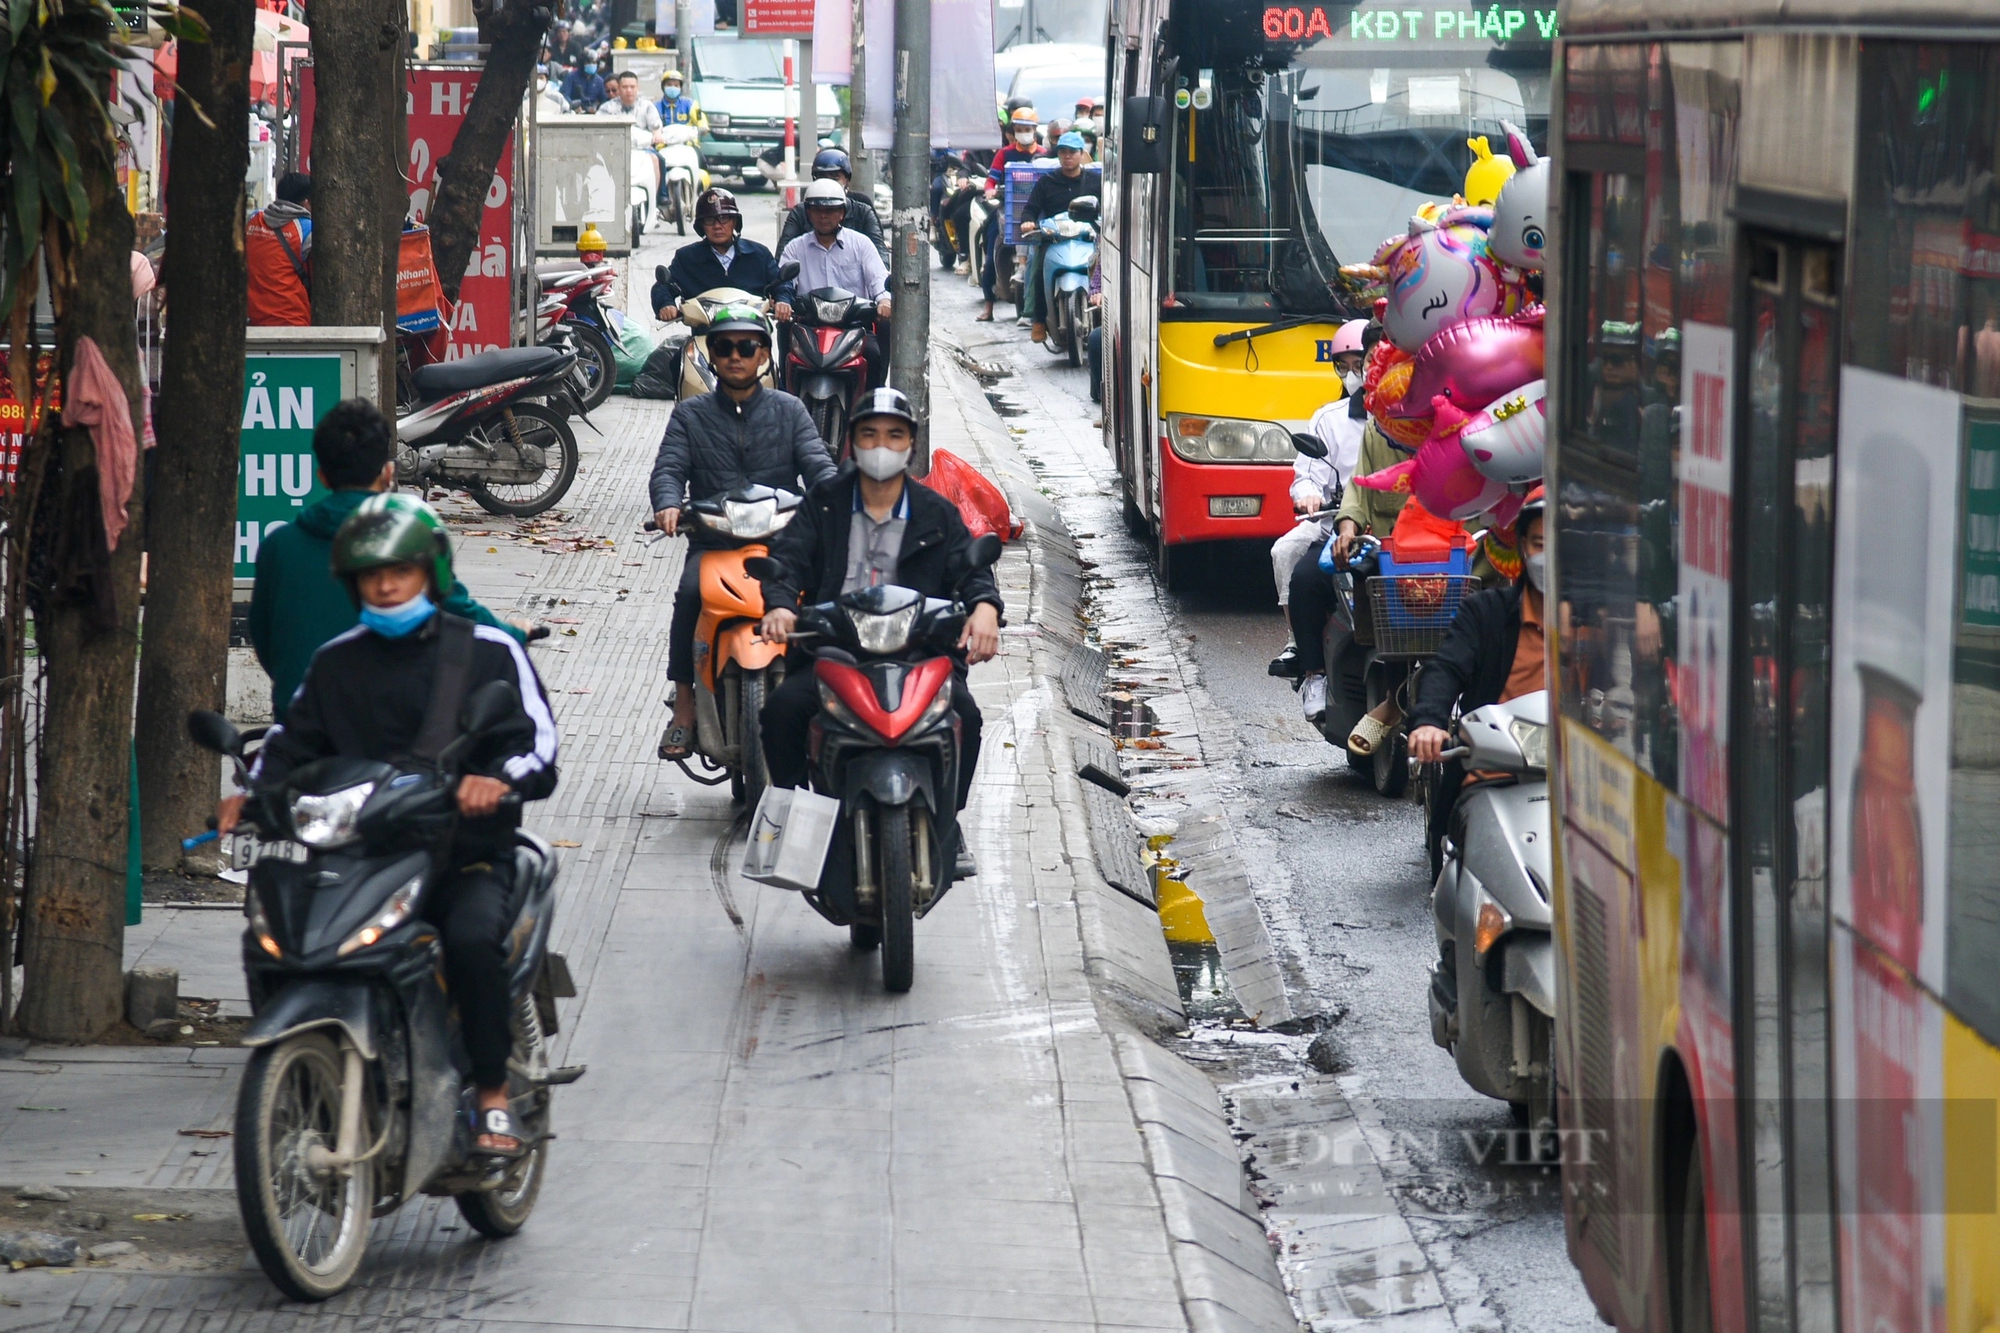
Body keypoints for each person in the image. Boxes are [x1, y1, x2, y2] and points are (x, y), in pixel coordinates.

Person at [222, 492, 559, 1158]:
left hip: (465, 853)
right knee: (276, 934)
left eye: (398, 570)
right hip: (360, 855)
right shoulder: (336, 660)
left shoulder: (487, 651)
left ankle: (490, 1096)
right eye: (370, 574)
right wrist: (251, 793)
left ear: (429, 572)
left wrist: (499, 780)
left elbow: (538, 744)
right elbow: (293, 743)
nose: (384, 584)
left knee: (467, 939)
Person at [754, 388, 1003, 874]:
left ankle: (949, 827)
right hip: (836, 648)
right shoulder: (823, 503)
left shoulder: (936, 511)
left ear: (910, 444)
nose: (881, 445)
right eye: (869, 434)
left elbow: (971, 570)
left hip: (920, 651)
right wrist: (780, 607)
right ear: (852, 442)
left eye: (894, 435)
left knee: (967, 718)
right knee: (781, 711)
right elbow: (787, 561)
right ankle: (786, 821)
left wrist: (985, 609)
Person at [250, 399, 526, 721]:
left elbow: (266, 641)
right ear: (389, 473)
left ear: (322, 476)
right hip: (388, 726)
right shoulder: (416, 537)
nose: (383, 587)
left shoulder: (277, 546)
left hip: (298, 722)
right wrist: (516, 634)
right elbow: (459, 611)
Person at [648, 306, 838, 759]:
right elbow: (668, 468)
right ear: (711, 356)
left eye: (746, 346)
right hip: (713, 542)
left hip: (783, 545)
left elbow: (819, 466)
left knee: (822, 599)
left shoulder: (790, 410)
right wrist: (669, 503)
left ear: (764, 355)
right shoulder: (690, 415)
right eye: (724, 347)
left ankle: (825, 694)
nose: (736, 356)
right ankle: (686, 703)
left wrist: (839, 502)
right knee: (690, 593)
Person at [1407, 487, 1547, 876]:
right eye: (1539, 543)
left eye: (1566, 545)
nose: (1551, 556)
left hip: (1583, 783)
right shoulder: (1484, 613)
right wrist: (1429, 722)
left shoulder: (1605, 625)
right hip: (1490, 779)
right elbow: (1446, 668)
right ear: (1522, 548)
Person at [1269, 318, 1369, 676]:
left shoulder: (1404, 417)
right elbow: (1308, 476)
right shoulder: (1330, 419)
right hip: (1335, 527)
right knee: (1287, 552)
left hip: (1390, 526)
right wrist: (1310, 495)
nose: (1353, 374)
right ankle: (1301, 647)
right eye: (1344, 368)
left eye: (1359, 364)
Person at [776, 178, 893, 389]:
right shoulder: (795, 248)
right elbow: (784, 282)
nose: (823, 216)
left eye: (830, 210)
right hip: (809, 327)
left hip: (854, 327)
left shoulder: (861, 244)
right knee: (786, 353)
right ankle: (788, 401)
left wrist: (883, 300)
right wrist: (783, 302)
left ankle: (870, 409)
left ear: (842, 213)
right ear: (808, 213)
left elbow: (877, 278)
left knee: (874, 354)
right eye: (817, 210)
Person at [652, 187, 783, 321]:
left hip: (754, 333)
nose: (717, 226)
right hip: (705, 335)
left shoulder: (758, 255)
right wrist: (666, 305)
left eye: (724, 218)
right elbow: (663, 287)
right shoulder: (687, 258)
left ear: (735, 222)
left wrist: (783, 301)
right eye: (709, 220)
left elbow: (781, 283)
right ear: (701, 226)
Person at [1018, 132, 1100, 342]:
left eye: (1072, 152)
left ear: (1082, 154)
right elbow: (1030, 209)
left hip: (1087, 238)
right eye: (1063, 152)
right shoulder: (1047, 182)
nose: (1067, 156)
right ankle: (1038, 320)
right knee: (1037, 266)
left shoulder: (1095, 182)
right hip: (1055, 238)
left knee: (1104, 267)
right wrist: (1027, 222)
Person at [977, 107, 1042, 322]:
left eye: (1027, 129)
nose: (1024, 132)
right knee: (990, 245)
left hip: (1036, 211)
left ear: (1034, 130)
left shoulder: (1043, 155)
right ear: (1013, 131)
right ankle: (988, 307)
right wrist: (990, 189)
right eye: (1020, 129)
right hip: (1009, 209)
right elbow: (992, 178)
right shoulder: (1004, 154)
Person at [775, 147, 888, 266]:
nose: (824, 216)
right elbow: (782, 260)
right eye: (817, 211)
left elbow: (880, 258)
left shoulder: (863, 212)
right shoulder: (800, 213)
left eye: (835, 178)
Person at [246, 172, 313, 327]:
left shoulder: (254, 221)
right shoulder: (306, 229)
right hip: (293, 322)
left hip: (254, 321)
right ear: (306, 203)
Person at [599, 71, 666, 195]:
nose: (629, 90)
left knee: (657, 159)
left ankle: (660, 197)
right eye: (625, 87)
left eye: (632, 87)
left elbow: (656, 126)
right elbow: (598, 130)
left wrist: (657, 135)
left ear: (637, 88)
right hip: (615, 150)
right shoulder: (606, 108)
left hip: (642, 148)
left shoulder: (647, 106)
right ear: (619, 88)